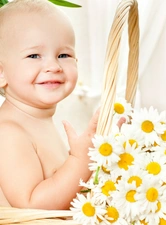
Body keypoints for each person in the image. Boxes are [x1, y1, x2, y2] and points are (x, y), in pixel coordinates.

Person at [0, 0, 100, 210]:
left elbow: (62, 189)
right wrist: (81, 160)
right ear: (1, 73)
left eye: (64, 55)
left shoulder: (35, 119)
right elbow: (31, 206)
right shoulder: (8, 132)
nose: (53, 66)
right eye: (34, 55)